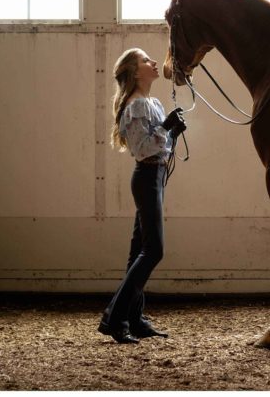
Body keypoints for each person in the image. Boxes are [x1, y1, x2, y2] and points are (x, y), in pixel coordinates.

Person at [99, 48, 186, 344]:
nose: (153, 63)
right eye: (146, 61)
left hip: (157, 176)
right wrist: (165, 128)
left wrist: (172, 132)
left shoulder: (152, 103)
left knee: (139, 250)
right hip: (147, 177)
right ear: (136, 72)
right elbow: (144, 149)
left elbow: (161, 146)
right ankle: (115, 317)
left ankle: (133, 319)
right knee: (154, 250)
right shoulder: (135, 106)